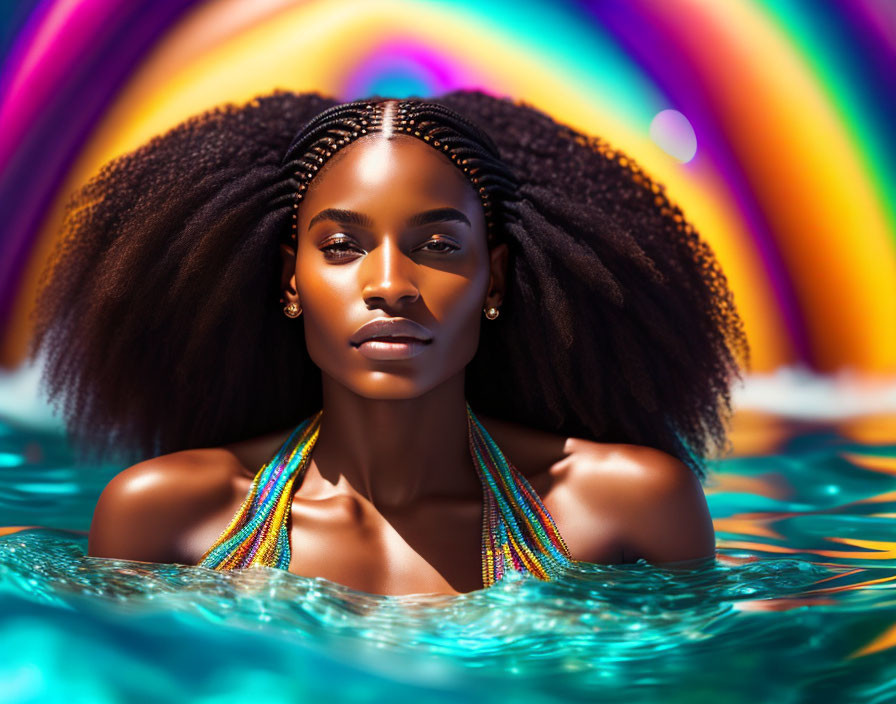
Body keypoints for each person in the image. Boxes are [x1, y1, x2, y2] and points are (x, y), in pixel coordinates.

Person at [28, 91, 749, 596]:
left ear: (494, 279)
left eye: (438, 244)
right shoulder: (164, 516)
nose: (391, 284)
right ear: (290, 279)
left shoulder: (629, 506)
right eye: (342, 246)